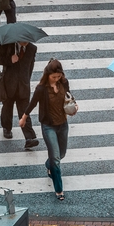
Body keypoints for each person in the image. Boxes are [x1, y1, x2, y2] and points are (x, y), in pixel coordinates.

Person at [21, 59, 71, 201]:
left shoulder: (64, 83)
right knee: (56, 159)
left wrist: (73, 106)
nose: (56, 79)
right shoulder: (41, 89)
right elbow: (32, 103)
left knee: (61, 154)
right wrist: (24, 117)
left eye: (58, 76)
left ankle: (48, 165)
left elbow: (69, 97)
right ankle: (59, 190)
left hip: (63, 123)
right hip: (48, 125)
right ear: (48, 74)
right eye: (54, 77)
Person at [0, 41, 40, 148]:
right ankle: (6, 127)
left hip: (23, 86)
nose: (25, 43)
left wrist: (26, 80)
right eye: (23, 40)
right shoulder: (7, 45)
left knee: (24, 111)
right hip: (8, 84)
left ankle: (29, 137)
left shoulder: (32, 48)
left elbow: (30, 66)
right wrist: (10, 60)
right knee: (7, 108)